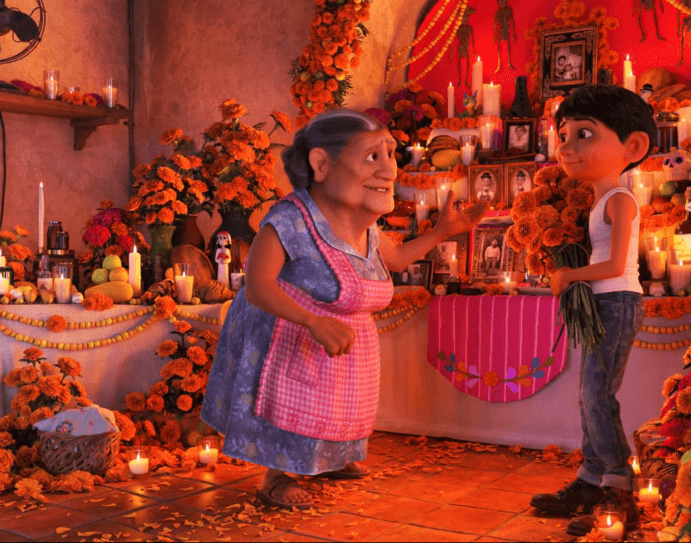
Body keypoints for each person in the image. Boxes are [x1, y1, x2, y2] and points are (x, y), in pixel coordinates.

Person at [200, 109, 487, 510]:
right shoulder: (288, 220)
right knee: (285, 409)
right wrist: (312, 321)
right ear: (321, 164)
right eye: (373, 157)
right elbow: (258, 286)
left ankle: (329, 459)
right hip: (284, 338)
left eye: (391, 154)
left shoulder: (363, 224)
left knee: (338, 405)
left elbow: (399, 259)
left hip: (339, 341)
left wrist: (441, 233)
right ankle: (276, 478)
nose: (390, 171)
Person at [533, 85, 655, 535]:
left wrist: (570, 276)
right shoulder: (602, 200)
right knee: (589, 395)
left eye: (584, 133)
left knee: (597, 395)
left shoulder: (621, 200)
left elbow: (616, 263)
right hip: (604, 302)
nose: (567, 145)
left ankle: (619, 483)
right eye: (563, 134)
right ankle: (590, 478)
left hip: (618, 300)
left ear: (634, 146)